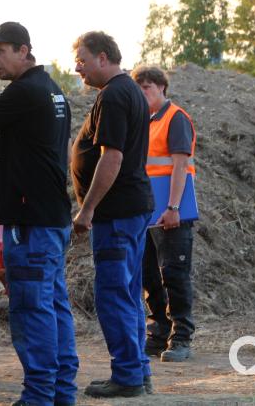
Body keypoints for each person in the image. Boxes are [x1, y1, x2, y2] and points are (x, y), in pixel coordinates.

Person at [0, 21, 79, 406]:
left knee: (32, 309)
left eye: (0, 51)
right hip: (49, 218)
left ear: (24, 50)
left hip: (30, 223)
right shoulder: (51, 90)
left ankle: (39, 395)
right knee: (53, 305)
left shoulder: (26, 91)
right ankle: (60, 393)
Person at [69, 32, 154, 399]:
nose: (78, 68)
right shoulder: (128, 91)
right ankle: (137, 370)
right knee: (128, 293)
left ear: (103, 57)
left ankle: (128, 375)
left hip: (116, 215)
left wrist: (87, 209)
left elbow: (112, 157)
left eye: (82, 60)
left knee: (115, 295)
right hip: (128, 210)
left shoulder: (115, 95)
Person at [132, 65, 199, 363]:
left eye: (147, 87)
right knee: (149, 275)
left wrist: (173, 207)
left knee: (174, 274)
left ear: (161, 87)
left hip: (172, 211)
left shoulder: (176, 118)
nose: (142, 92)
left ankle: (181, 337)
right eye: (139, 87)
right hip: (146, 211)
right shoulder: (141, 122)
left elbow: (180, 166)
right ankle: (159, 331)